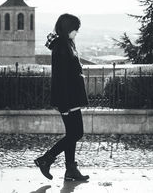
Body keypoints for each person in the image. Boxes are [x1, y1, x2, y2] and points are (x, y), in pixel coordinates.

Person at [34, 13, 89, 181]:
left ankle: (70, 170)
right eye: (75, 29)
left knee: (72, 133)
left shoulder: (66, 44)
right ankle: (46, 159)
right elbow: (61, 78)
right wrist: (64, 104)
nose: (76, 32)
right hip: (68, 99)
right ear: (67, 29)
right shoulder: (62, 47)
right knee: (76, 133)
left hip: (71, 98)